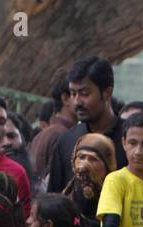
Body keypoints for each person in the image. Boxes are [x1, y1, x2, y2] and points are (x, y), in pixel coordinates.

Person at [47, 56, 122, 193]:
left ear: (107, 92)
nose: (77, 101)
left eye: (84, 93)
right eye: (73, 93)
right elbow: (54, 198)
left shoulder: (130, 141)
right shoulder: (67, 141)